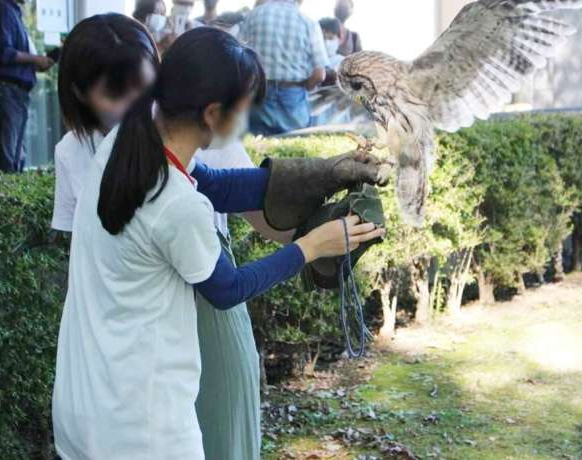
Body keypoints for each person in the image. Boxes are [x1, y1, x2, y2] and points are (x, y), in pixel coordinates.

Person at [51, 27, 385, 459]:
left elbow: (218, 186)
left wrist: (327, 172)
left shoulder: (128, 144)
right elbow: (227, 288)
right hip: (142, 428)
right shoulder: (175, 205)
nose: (244, 122)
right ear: (212, 113)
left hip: (88, 405)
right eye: (243, 109)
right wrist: (312, 247)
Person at [51, 14, 159, 233]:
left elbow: (246, 197)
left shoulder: (189, 128)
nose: (135, 104)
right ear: (80, 93)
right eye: (116, 94)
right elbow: (78, 243)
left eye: (144, 87)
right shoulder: (70, 151)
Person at [0, 0, 54, 175]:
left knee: (13, 157)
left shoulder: (11, 11)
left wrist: (38, 62)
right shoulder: (0, 8)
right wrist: (35, 59)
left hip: (11, 92)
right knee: (3, 161)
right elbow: (2, 52)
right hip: (3, 90)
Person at [240, 0, 328, 135]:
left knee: (256, 150)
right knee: (291, 148)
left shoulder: (254, 15)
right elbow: (319, 75)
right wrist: (306, 87)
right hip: (293, 97)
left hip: (258, 95)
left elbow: (238, 60)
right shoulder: (308, 22)